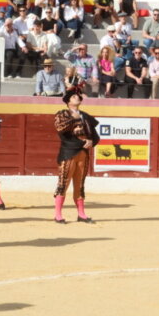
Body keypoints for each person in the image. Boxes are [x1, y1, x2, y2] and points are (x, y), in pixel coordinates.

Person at [53, 89, 98, 224]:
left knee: (80, 185)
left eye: (78, 96)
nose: (77, 98)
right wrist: (74, 118)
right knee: (63, 183)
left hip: (83, 153)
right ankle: (58, 214)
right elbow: (60, 129)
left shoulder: (85, 116)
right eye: (73, 96)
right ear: (68, 101)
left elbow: (94, 135)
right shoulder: (62, 114)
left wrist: (91, 142)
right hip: (69, 152)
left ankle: (81, 214)